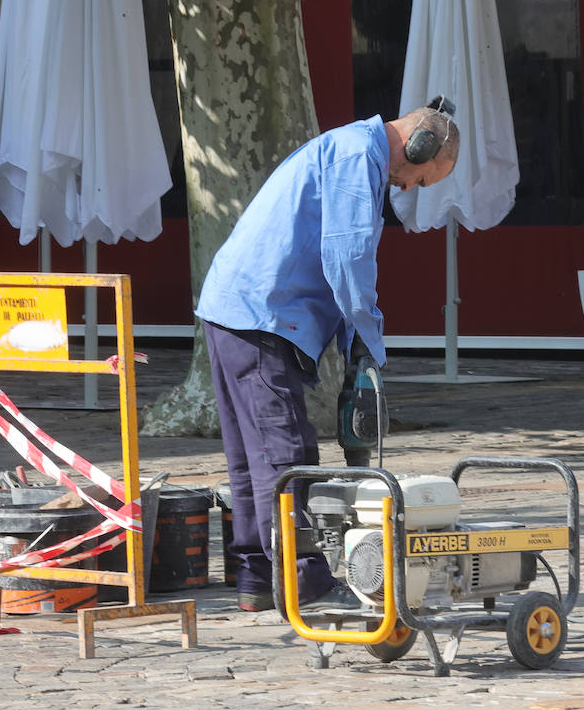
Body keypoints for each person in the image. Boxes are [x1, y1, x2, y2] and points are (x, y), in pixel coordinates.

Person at [196, 99, 460, 612]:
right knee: (286, 455)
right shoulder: (357, 157)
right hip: (262, 315)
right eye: (422, 179)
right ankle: (306, 581)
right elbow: (347, 256)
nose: (408, 189)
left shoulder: (349, 149)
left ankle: (257, 579)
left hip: (235, 309)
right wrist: (368, 338)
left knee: (251, 461)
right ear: (420, 145)